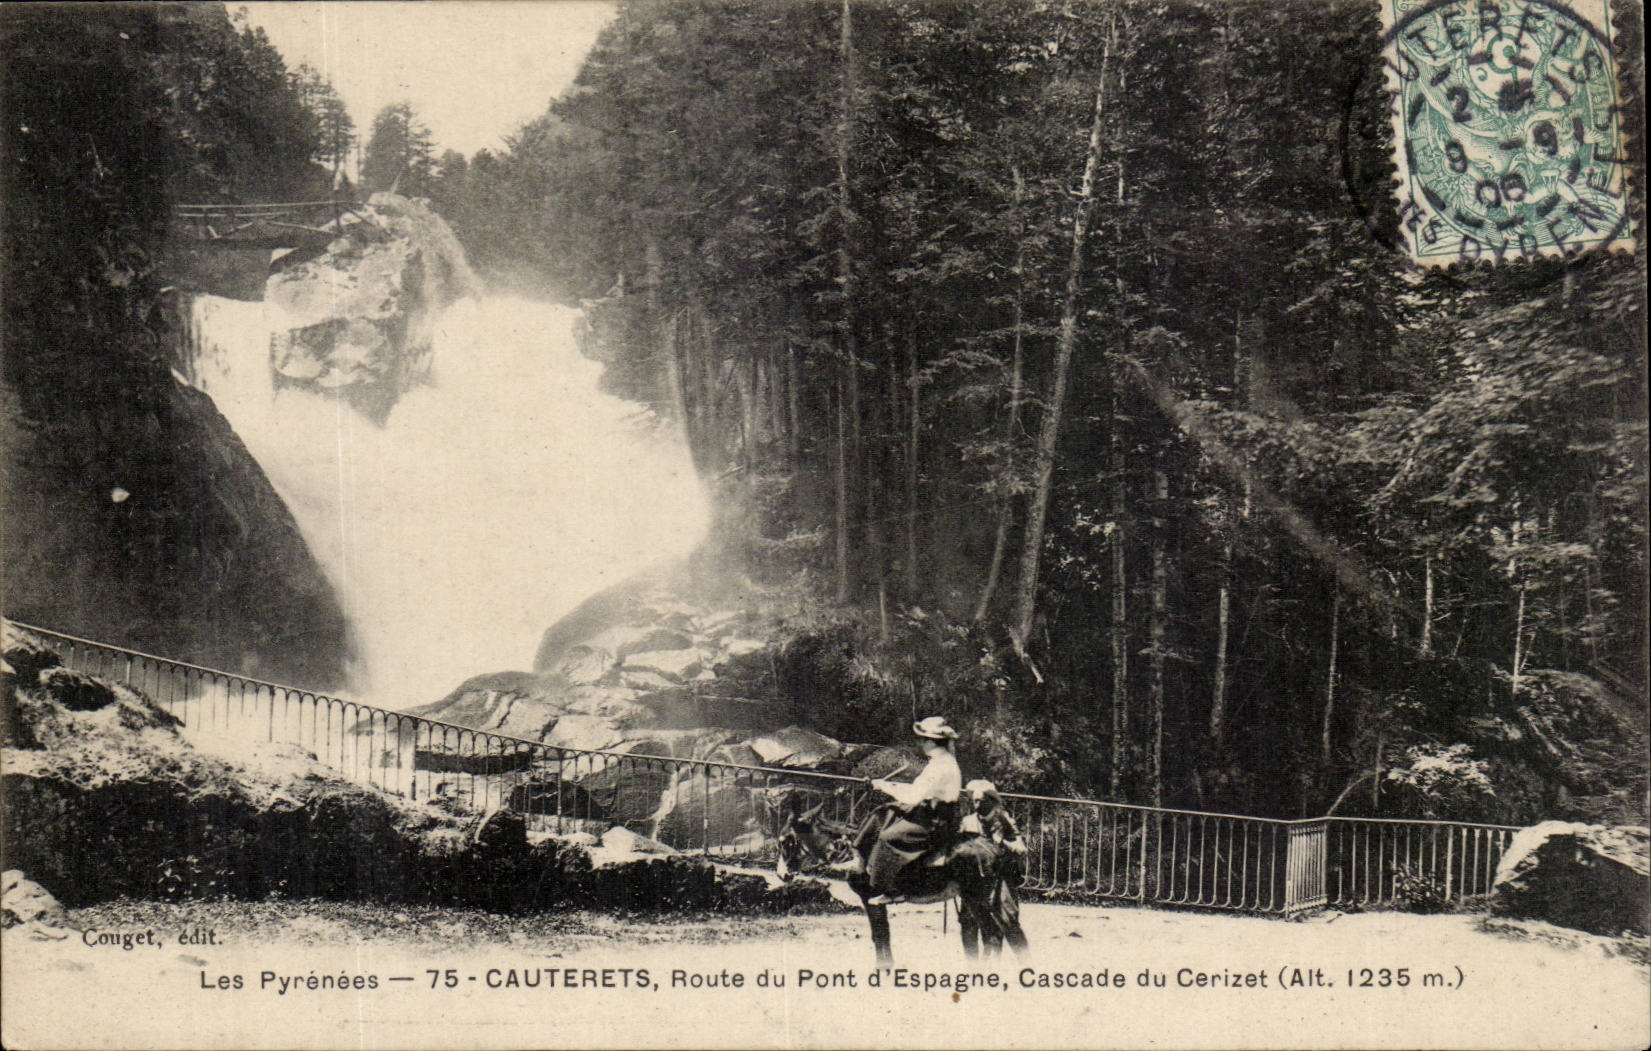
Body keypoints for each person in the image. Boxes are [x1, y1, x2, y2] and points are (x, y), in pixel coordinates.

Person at [855, 716, 964, 905]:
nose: (920, 743)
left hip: (936, 821)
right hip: (928, 812)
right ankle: (859, 862)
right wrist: (886, 786)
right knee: (882, 814)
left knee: (889, 837)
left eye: (922, 739)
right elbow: (917, 790)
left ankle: (892, 890)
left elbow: (914, 795)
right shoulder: (938, 761)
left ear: (931, 741)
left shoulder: (942, 766)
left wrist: (885, 787)